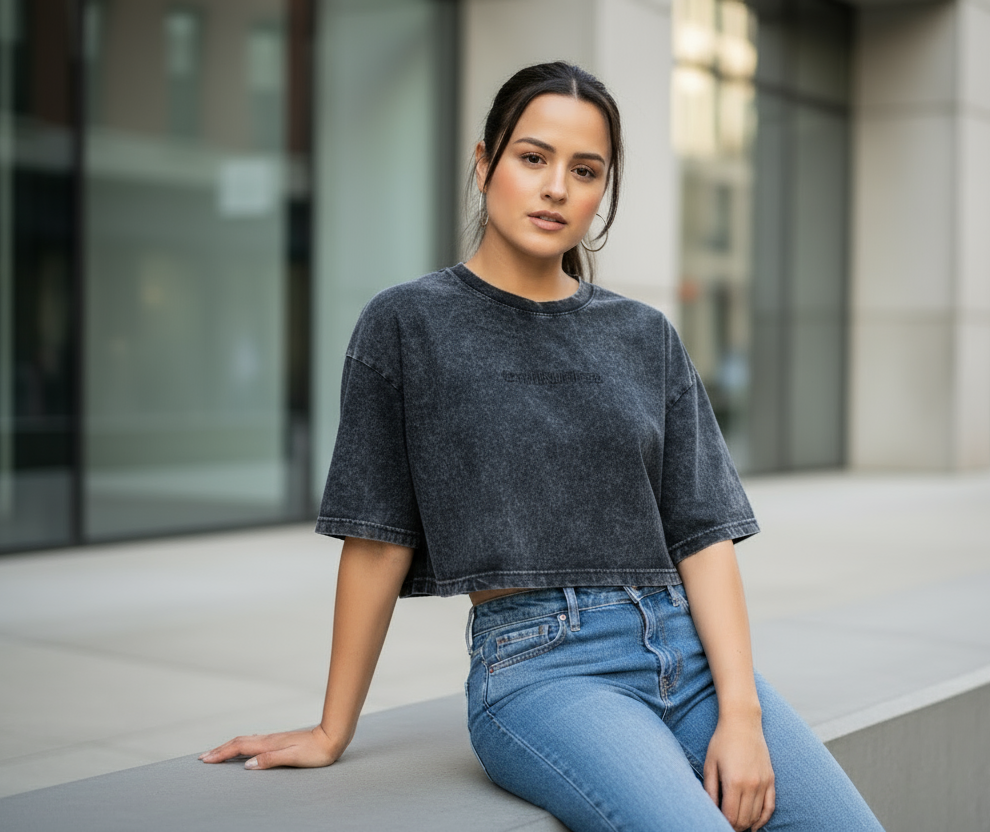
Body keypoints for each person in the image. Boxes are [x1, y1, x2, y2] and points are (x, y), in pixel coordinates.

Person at [201, 61, 884, 832]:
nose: (557, 187)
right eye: (534, 158)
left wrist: (742, 711)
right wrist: (333, 728)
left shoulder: (644, 335)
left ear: (602, 191)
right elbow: (376, 536)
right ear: (485, 161)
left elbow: (702, 536)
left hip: (686, 656)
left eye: (584, 170)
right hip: (542, 668)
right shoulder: (408, 324)